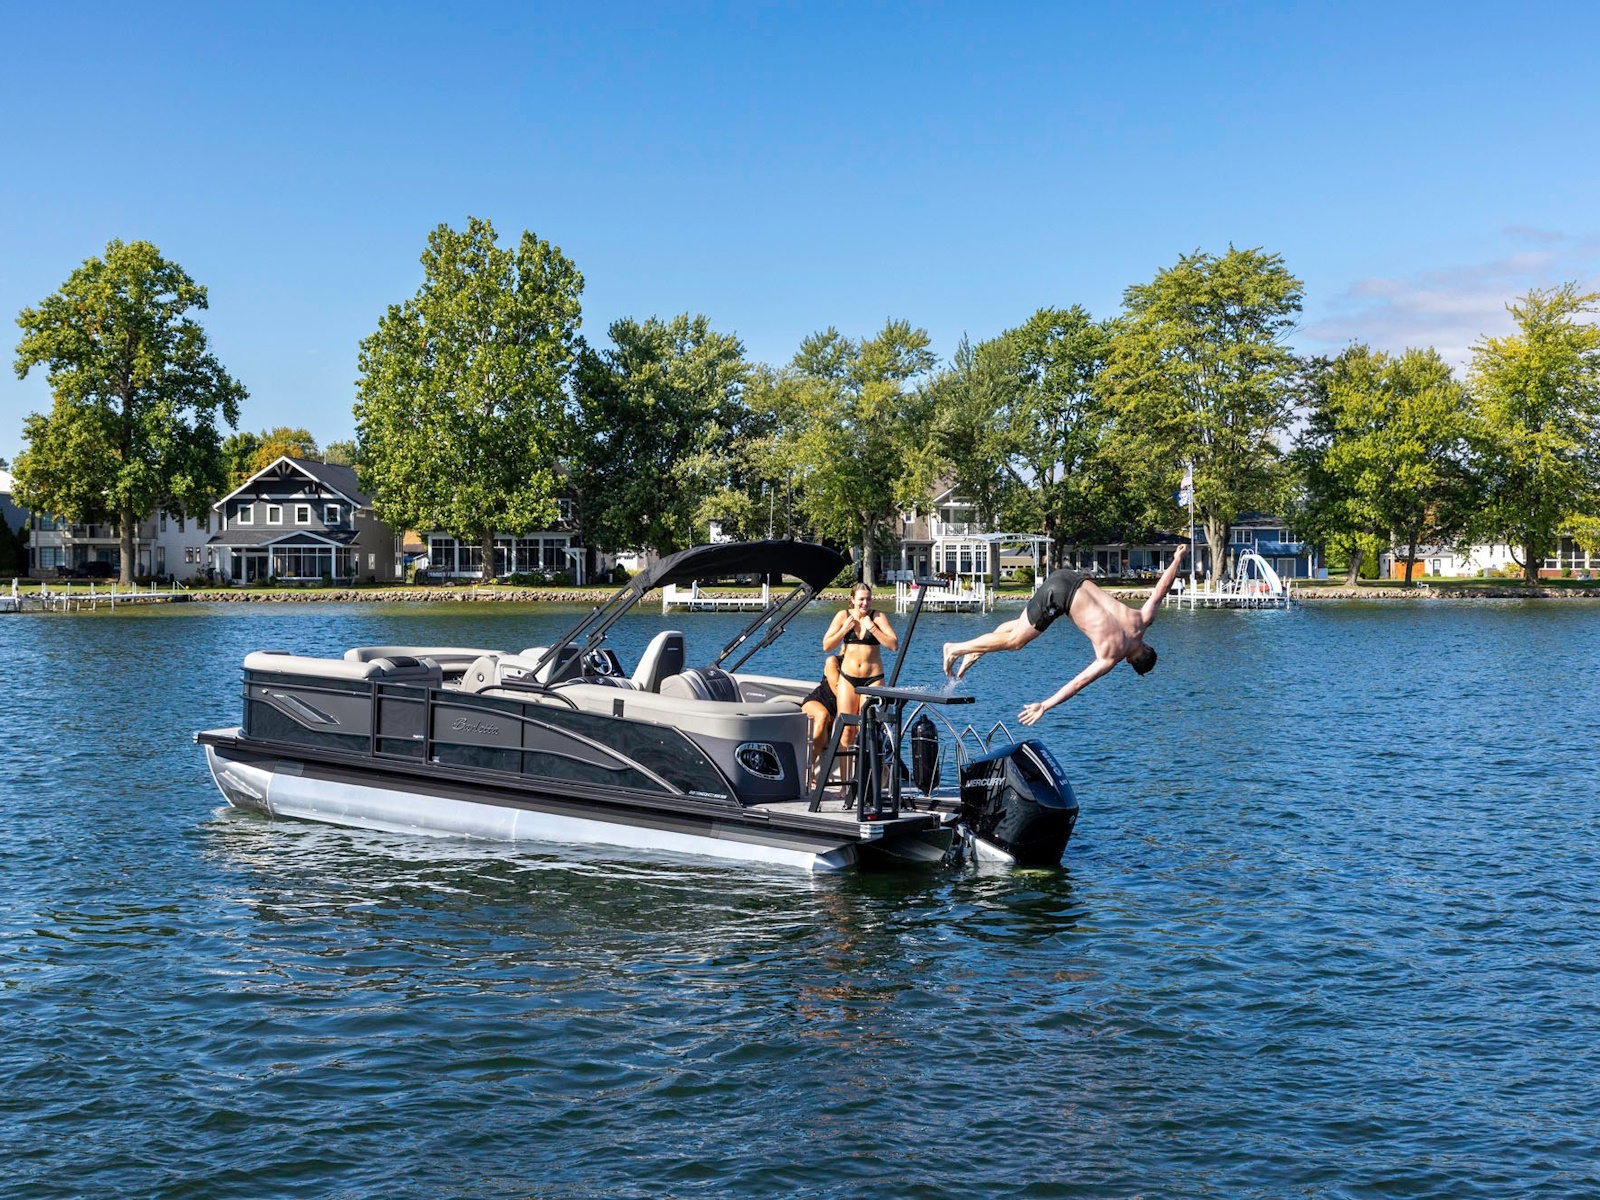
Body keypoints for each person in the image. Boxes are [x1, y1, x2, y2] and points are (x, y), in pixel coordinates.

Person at [942, 544, 1188, 725]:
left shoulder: (1142, 620)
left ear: (1147, 646)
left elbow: (1162, 588)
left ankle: (975, 651)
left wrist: (1177, 559)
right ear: (1131, 661)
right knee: (1015, 642)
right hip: (1060, 596)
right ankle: (955, 648)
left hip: (1071, 577)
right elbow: (1077, 684)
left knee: (1021, 625)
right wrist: (1045, 706)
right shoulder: (1110, 657)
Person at [822, 581, 898, 763]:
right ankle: (845, 779)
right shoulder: (843, 616)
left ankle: (869, 774)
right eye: (861, 599)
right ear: (852, 600)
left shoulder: (877, 616)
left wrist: (872, 628)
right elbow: (827, 646)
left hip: (873, 679)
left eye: (868, 599)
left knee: (867, 728)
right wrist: (844, 630)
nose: (865, 603)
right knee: (847, 730)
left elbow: (893, 645)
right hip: (848, 678)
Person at [800, 655, 842, 788]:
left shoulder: (865, 668)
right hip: (817, 702)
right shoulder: (833, 661)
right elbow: (838, 692)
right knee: (823, 716)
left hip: (836, 713)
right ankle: (809, 768)